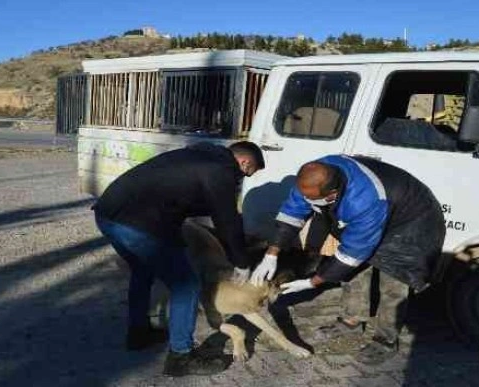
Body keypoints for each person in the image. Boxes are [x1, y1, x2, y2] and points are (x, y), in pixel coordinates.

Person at [250, 154, 445, 365]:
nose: (307, 203)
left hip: (411, 222)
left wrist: (312, 282)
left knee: (393, 283)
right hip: (379, 210)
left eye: (313, 201)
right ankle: (351, 319)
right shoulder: (311, 179)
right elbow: (291, 214)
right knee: (353, 273)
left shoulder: (365, 199)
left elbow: (352, 253)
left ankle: (385, 338)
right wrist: (271, 254)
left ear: (332, 195)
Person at [93, 141, 264, 377]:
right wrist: (242, 262)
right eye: (247, 173)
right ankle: (180, 357)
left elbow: (183, 199)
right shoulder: (220, 170)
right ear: (244, 162)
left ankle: (138, 333)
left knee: (143, 271)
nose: (241, 179)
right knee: (187, 285)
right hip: (136, 224)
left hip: (108, 215)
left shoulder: (196, 157)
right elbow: (227, 221)